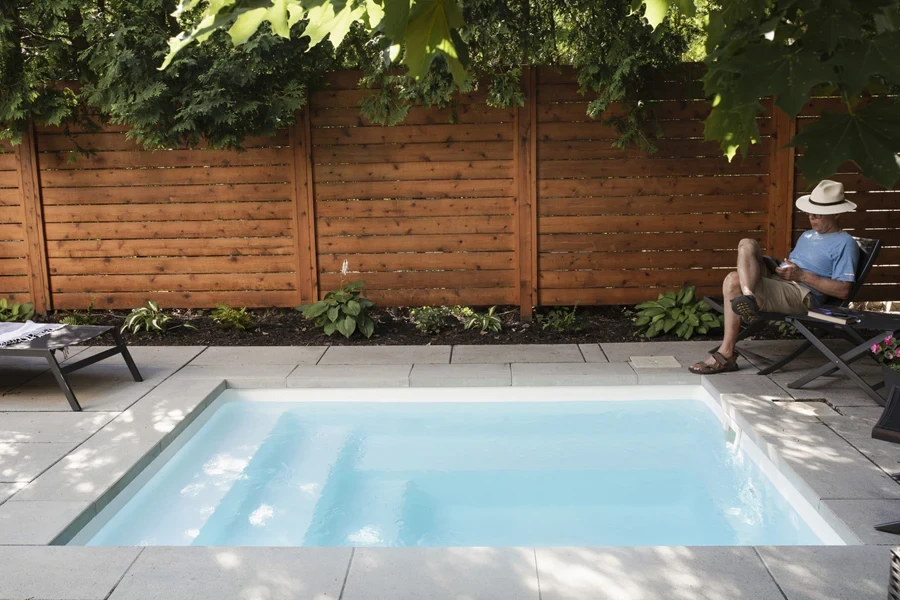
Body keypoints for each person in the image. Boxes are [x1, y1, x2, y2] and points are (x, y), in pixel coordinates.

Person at [689, 179, 860, 374]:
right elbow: (796, 265)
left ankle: (727, 353)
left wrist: (801, 275)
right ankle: (749, 296)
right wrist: (778, 266)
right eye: (810, 213)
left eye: (818, 215)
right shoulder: (808, 235)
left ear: (836, 213)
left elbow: (843, 291)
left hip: (802, 294)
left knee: (732, 280)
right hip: (784, 281)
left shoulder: (845, 243)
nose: (811, 217)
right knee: (747, 243)